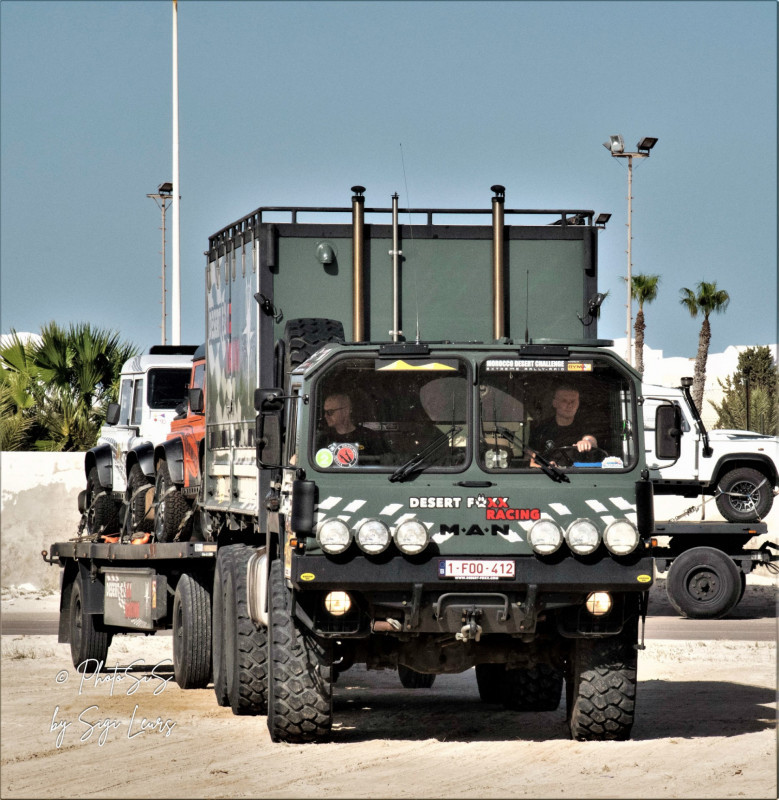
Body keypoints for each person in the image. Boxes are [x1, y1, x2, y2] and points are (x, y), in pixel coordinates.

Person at [529, 385, 598, 460]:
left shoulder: (584, 427)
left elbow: (591, 440)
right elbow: (531, 458)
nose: (570, 405)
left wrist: (586, 442)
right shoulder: (541, 429)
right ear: (555, 403)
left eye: (573, 401)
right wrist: (546, 465)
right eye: (564, 401)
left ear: (578, 404)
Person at [316, 392, 386, 458]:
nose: (325, 416)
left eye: (330, 412)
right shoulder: (323, 439)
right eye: (325, 412)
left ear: (346, 411)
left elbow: (384, 460)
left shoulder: (369, 437)